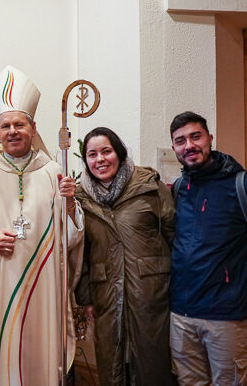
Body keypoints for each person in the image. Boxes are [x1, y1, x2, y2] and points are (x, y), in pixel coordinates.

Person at [0, 66, 84, 386]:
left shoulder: (55, 172)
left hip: (44, 287)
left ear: (33, 126)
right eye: (6, 126)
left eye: (19, 124)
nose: (12, 131)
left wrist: (70, 204)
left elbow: (70, 238)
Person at [74, 127, 176, 385]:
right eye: (92, 154)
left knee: (153, 362)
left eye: (106, 151)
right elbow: (81, 252)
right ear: (85, 160)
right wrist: (86, 297)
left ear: (118, 153)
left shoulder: (149, 187)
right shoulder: (80, 198)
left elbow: (175, 237)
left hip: (152, 292)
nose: (100, 160)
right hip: (105, 294)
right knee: (112, 364)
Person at [168, 111, 247, 386]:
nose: (188, 145)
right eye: (180, 141)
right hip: (181, 313)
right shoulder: (179, 188)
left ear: (210, 139)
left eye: (195, 136)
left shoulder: (239, 184)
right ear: (174, 148)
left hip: (225, 315)